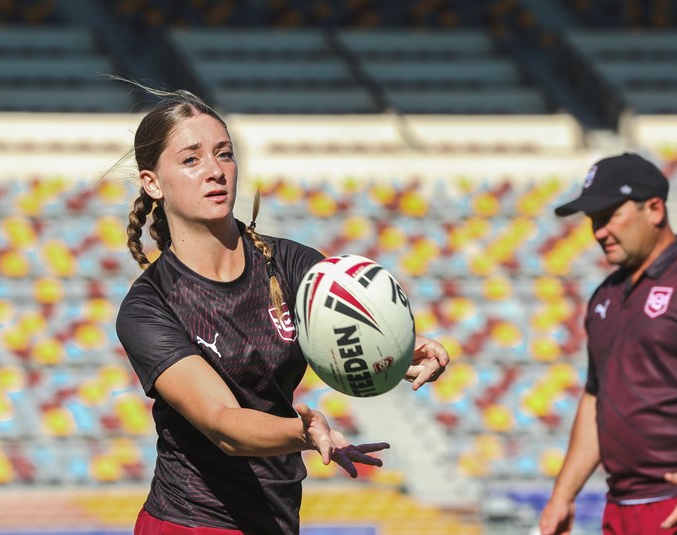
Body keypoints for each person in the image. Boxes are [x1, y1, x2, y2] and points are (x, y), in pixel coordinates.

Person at [114, 87, 450, 535]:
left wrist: (402, 351)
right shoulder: (149, 306)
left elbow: (348, 335)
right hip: (191, 523)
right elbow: (223, 424)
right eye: (191, 160)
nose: (215, 171)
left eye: (225, 154)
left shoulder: (292, 264)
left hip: (277, 519)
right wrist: (302, 433)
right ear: (152, 182)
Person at [539, 153, 677, 535]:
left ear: (654, 209)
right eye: (593, 221)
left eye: (609, 216)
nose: (598, 232)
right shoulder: (604, 297)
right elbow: (597, 397)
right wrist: (563, 495)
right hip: (621, 510)